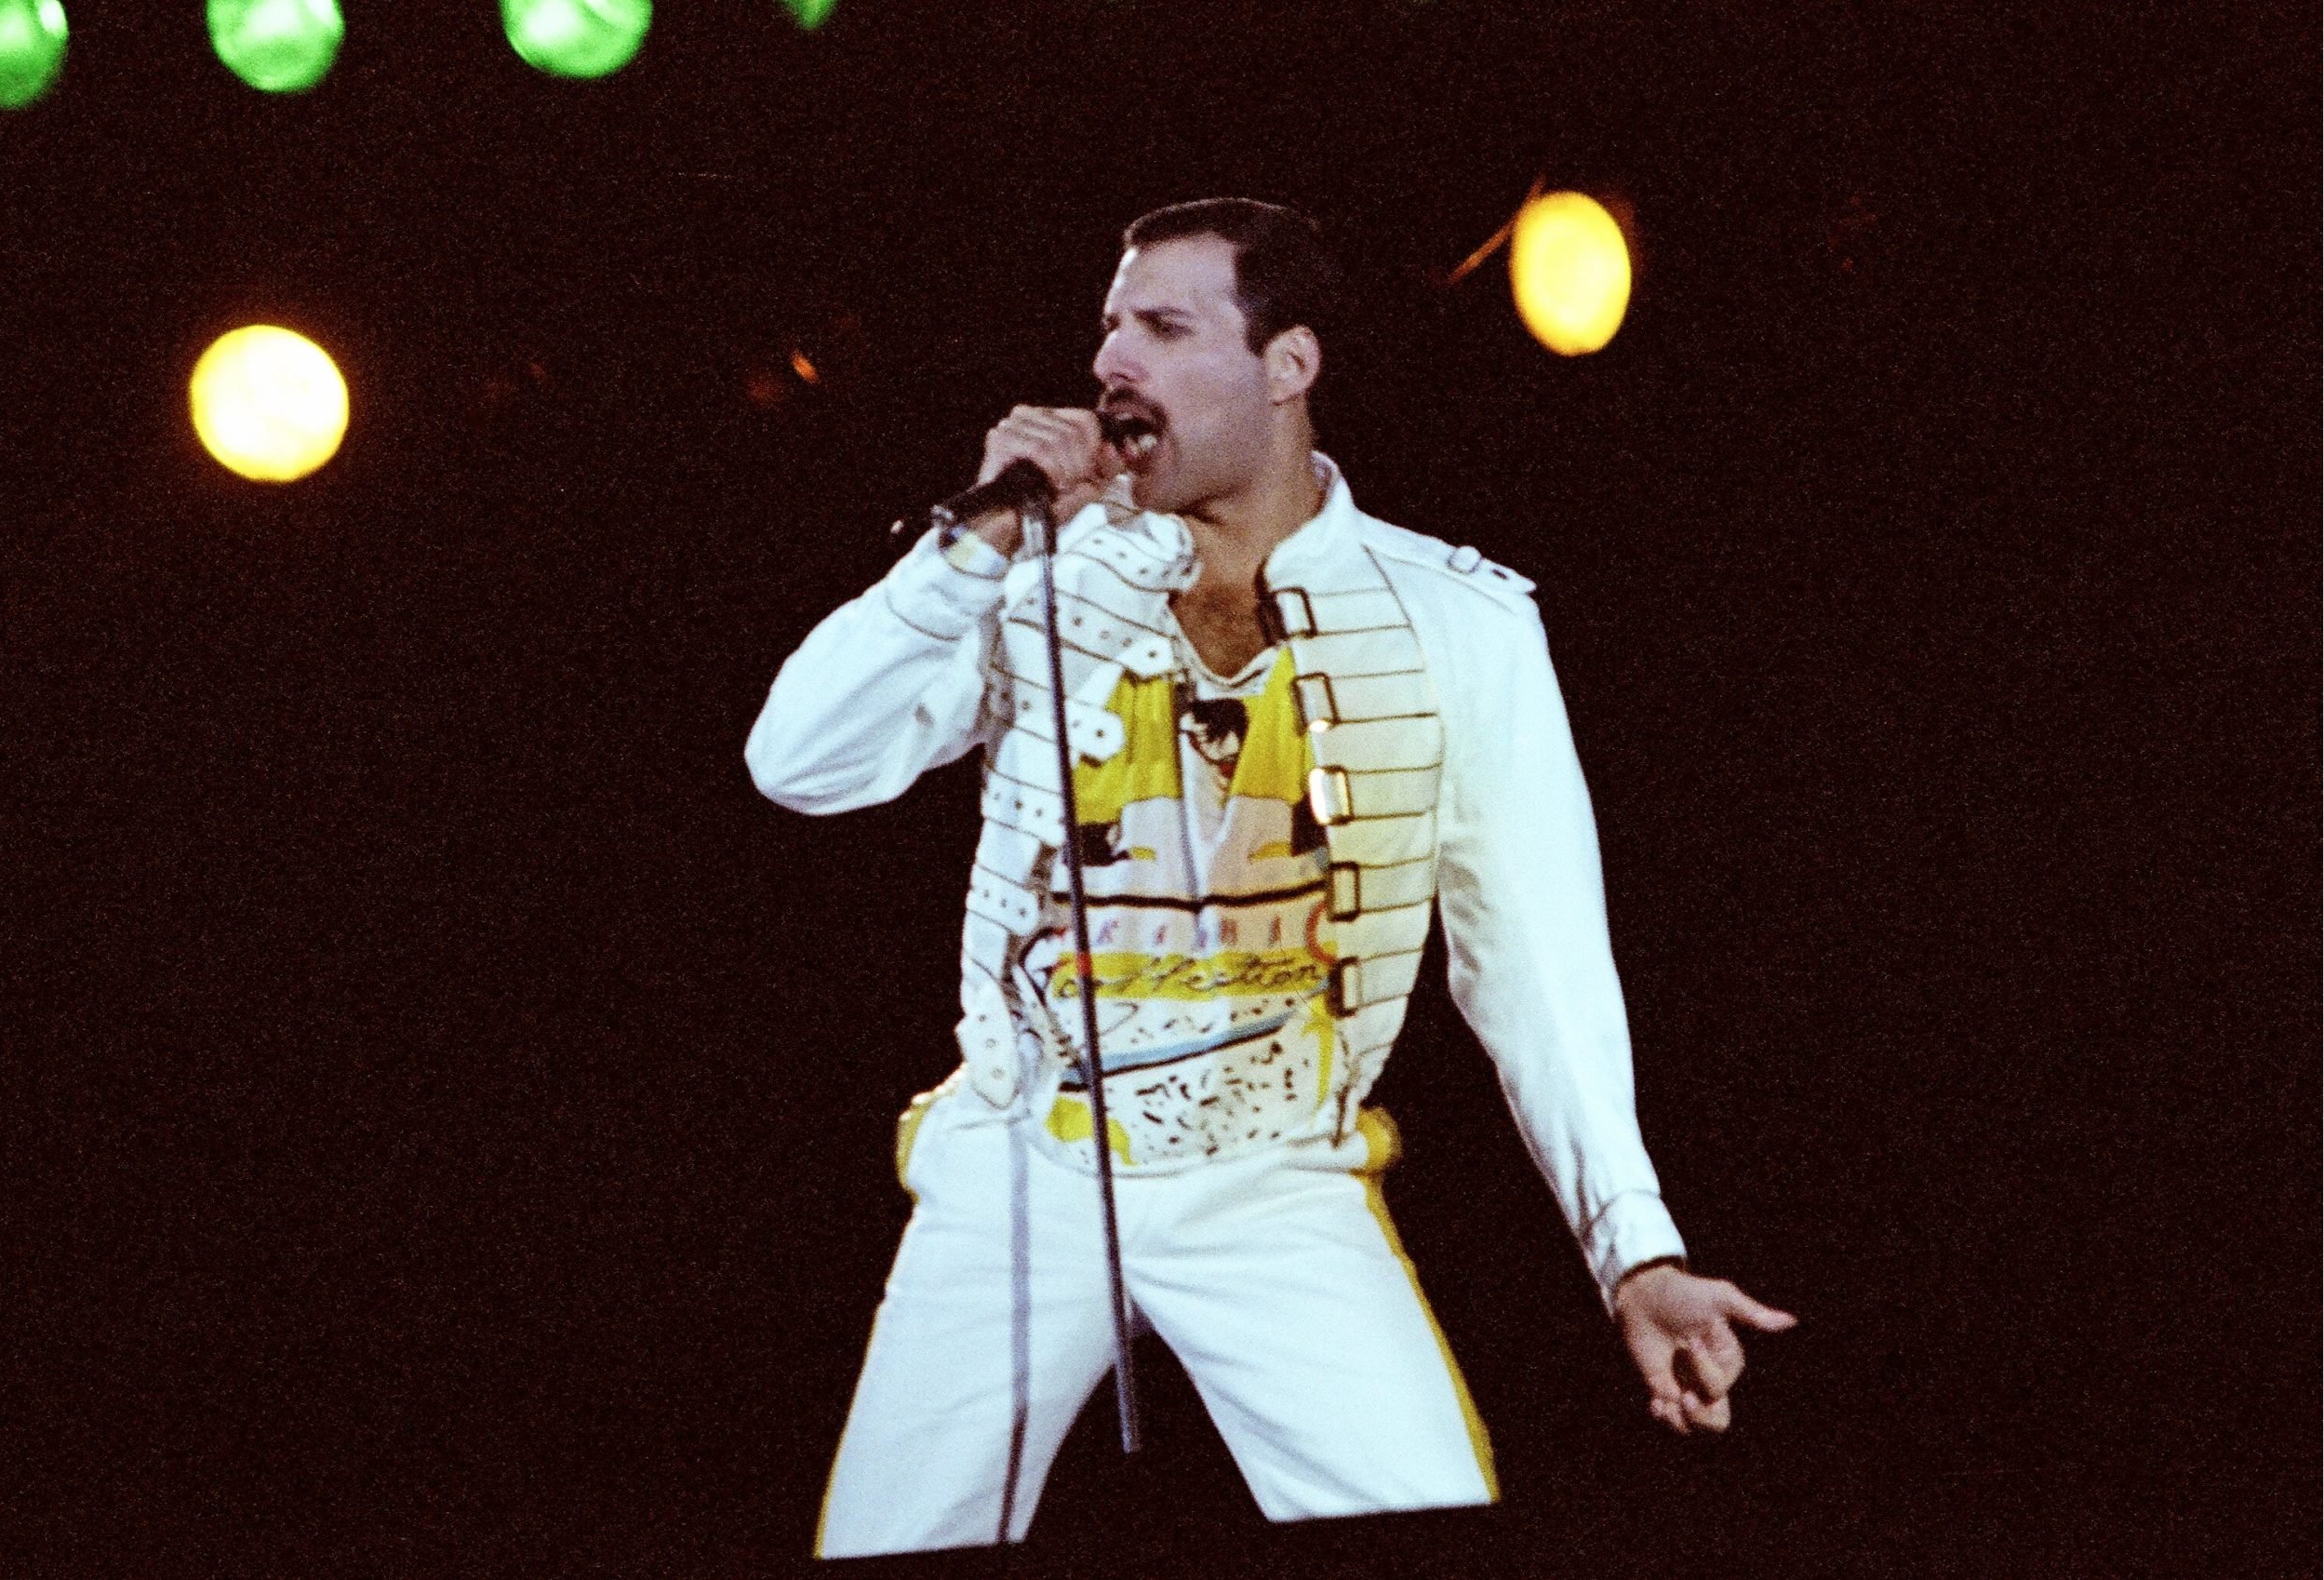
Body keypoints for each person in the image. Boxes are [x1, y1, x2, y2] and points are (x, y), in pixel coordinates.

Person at [746, 198, 1794, 1560]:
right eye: (1110, 326)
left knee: (1426, 1508)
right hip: (1026, 1159)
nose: (1114, 358)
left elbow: (1534, 960)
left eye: (1165, 327)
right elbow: (797, 759)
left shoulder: (1456, 621)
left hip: (1272, 1172)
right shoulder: (1024, 578)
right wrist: (971, 548)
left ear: (1286, 364)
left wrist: (1633, 1249)